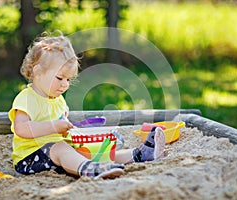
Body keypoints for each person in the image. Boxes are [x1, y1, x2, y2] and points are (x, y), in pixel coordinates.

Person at [8, 31, 165, 179]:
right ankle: (90, 169)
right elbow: (21, 129)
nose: (65, 85)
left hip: (58, 153)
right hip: (30, 159)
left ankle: (139, 154)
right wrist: (54, 126)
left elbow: (61, 131)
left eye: (69, 80)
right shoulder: (27, 98)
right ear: (37, 72)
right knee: (61, 148)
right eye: (60, 78)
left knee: (89, 151)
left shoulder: (58, 100)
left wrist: (71, 132)